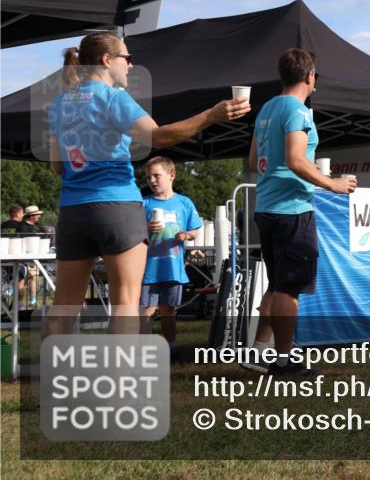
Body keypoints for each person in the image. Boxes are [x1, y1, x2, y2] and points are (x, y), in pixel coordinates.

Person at [45, 31, 251, 335]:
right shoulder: (113, 97)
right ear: (106, 60)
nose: (130, 65)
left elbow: (58, 167)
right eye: (127, 58)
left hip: (73, 210)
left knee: (64, 304)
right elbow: (158, 136)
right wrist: (211, 115)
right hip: (117, 206)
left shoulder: (60, 103)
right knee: (127, 303)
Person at [248, 48, 357, 377]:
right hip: (291, 210)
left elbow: (254, 161)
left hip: (267, 206)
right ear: (310, 77)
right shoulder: (298, 110)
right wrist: (331, 184)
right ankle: (283, 361)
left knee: (278, 283)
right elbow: (296, 160)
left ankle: (260, 351)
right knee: (288, 288)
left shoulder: (267, 108)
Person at [140, 157, 201, 359]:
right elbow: (133, 232)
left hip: (173, 267)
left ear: (171, 175)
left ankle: (170, 347)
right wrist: (145, 228)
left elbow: (194, 230)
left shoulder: (184, 203)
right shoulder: (144, 203)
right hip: (148, 267)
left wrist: (186, 235)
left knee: (168, 309)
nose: (152, 180)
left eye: (157, 175)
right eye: (149, 177)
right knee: (147, 309)